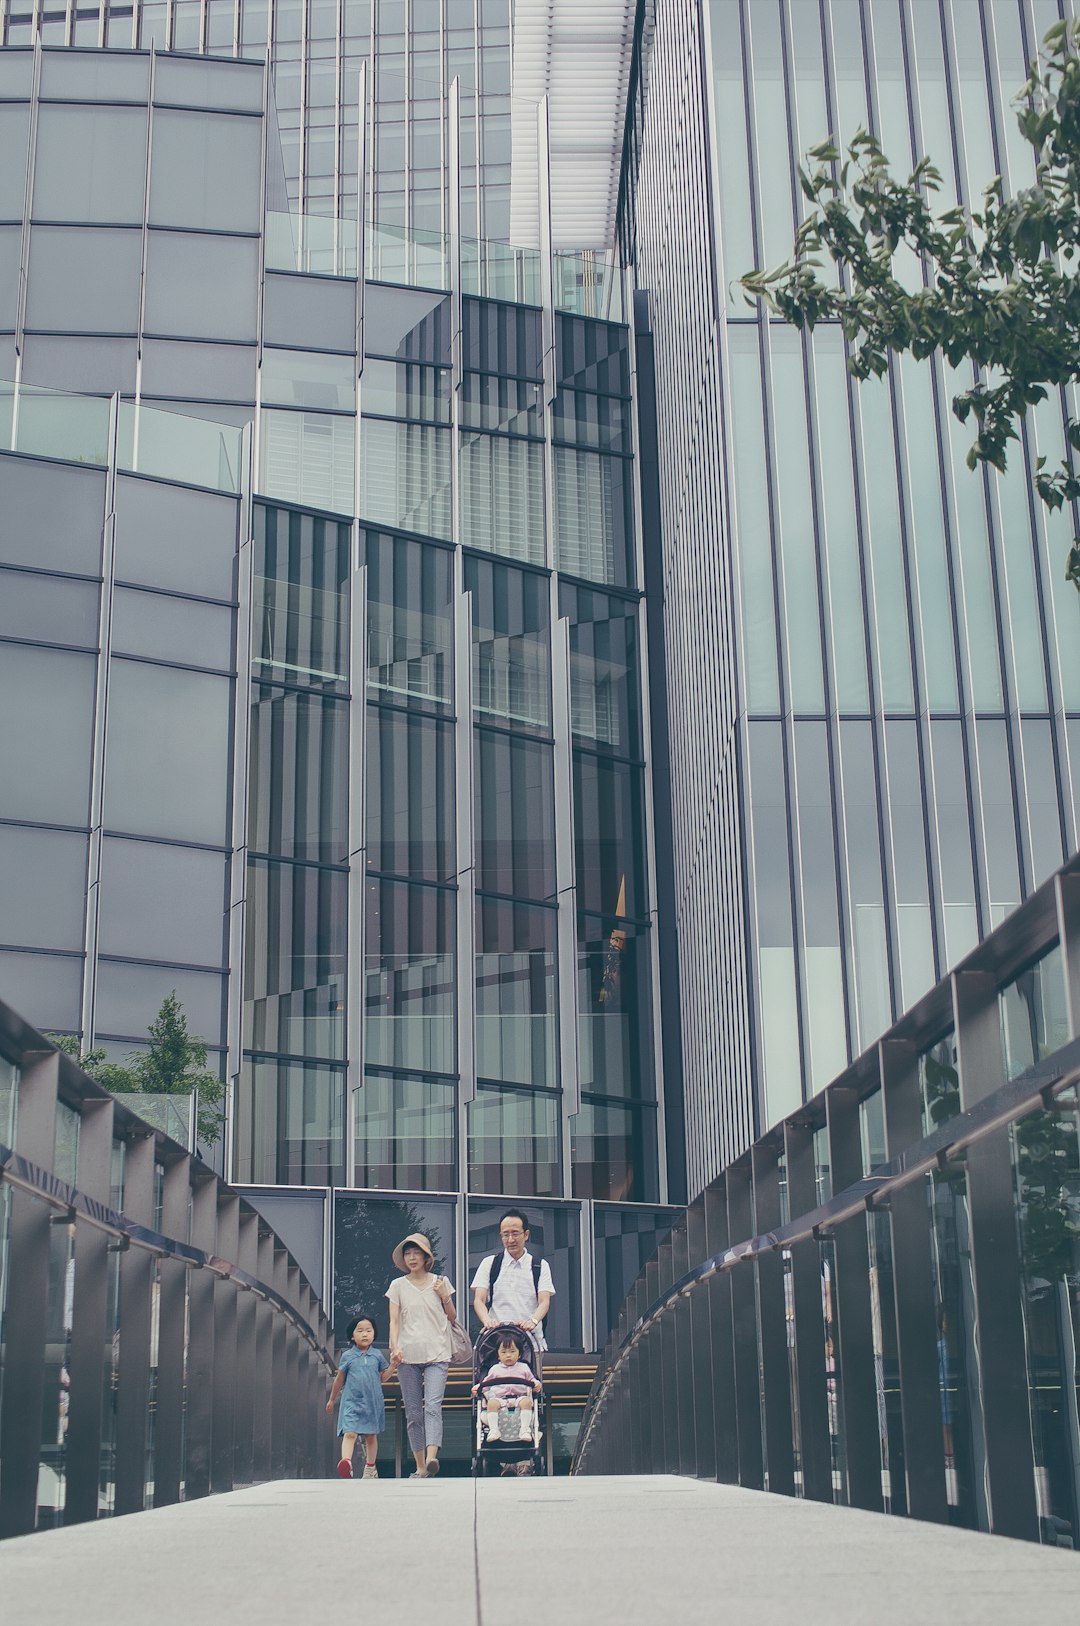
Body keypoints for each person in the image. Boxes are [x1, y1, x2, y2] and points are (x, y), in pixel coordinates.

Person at [386, 1231, 459, 1479]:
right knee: (414, 1412)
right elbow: (394, 1321)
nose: (412, 1257)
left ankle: (431, 1458)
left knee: (433, 1406)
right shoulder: (397, 1286)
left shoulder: (440, 1281)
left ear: (426, 1256)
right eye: (408, 1253)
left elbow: (453, 1317)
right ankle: (419, 1466)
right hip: (407, 1356)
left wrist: (444, 1296)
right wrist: (394, 1347)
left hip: (438, 1353)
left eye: (417, 1252)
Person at [325, 1313, 400, 1480]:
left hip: (372, 1402)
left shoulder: (377, 1355)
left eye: (368, 1330)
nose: (364, 1334)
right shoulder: (348, 1356)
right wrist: (331, 1399)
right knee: (350, 1433)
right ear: (352, 1335)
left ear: (374, 1334)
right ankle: (346, 1463)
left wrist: (393, 1365)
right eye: (360, 1331)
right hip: (352, 1402)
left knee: (371, 1435)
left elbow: (383, 1378)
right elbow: (339, 1379)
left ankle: (370, 1468)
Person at [471, 1209, 555, 1354]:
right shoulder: (489, 1263)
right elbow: (479, 1299)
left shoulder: (540, 1266)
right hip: (496, 1342)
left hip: (530, 1341)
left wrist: (533, 1321)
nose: (510, 1239)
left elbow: (544, 1301)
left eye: (515, 1233)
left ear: (526, 1234)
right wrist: (487, 1321)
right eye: (505, 1234)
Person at [471, 1332, 541, 1442]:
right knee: (491, 1403)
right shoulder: (495, 1369)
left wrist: (536, 1384)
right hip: (500, 1400)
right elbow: (486, 1384)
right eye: (504, 1352)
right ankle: (494, 1430)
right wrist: (478, 1388)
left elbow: (532, 1380)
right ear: (498, 1355)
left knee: (527, 1402)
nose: (508, 1355)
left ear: (519, 1354)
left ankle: (525, 1429)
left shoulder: (524, 1368)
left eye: (512, 1351)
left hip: (519, 1398)